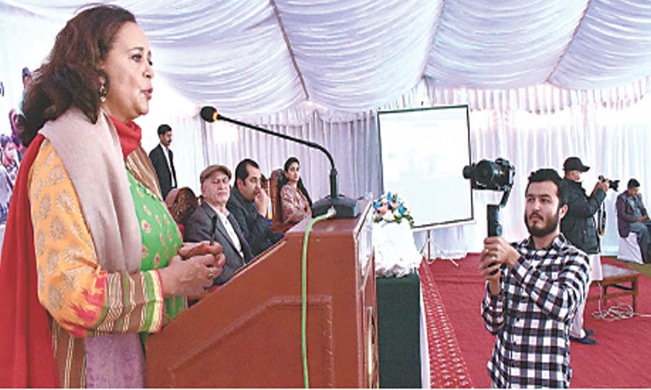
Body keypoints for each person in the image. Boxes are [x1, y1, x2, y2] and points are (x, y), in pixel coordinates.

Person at [0, 5, 226, 387]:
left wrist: (185, 261)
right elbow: (70, 294)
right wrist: (168, 282)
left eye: (150, 60)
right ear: (95, 69)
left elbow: (133, 253)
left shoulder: (133, 155)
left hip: (145, 360)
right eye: (136, 57)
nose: (150, 70)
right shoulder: (63, 152)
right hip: (91, 370)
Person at [480, 168, 590, 388]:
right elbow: (493, 324)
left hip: (543, 382)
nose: (535, 207)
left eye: (545, 200)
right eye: (530, 199)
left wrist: (514, 261)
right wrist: (494, 284)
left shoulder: (574, 259)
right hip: (502, 380)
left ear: (562, 210)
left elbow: (563, 306)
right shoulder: (511, 252)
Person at [560, 156, 608, 345]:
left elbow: (585, 207)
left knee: (580, 288)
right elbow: (587, 209)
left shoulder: (569, 189)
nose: (581, 175)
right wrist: (601, 194)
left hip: (580, 241)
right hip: (579, 244)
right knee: (579, 289)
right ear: (573, 173)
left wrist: (597, 191)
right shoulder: (568, 190)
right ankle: (575, 330)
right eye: (579, 172)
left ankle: (576, 325)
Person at [185, 164, 253, 285]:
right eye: (215, 182)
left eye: (225, 181)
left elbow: (245, 252)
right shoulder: (200, 220)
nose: (222, 186)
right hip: (231, 287)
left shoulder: (229, 215)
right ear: (203, 191)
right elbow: (212, 268)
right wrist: (245, 277)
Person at [227, 158, 284, 256]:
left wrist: (287, 238)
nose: (258, 187)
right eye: (253, 181)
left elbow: (266, 232)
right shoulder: (232, 205)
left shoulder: (250, 198)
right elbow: (250, 247)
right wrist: (261, 213)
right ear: (240, 183)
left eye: (259, 181)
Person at [616, 178, 651, 263]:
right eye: (635, 190)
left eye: (637, 190)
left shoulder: (638, 196)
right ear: (629, 189)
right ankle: (644, 254)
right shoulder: (622, 198)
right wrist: (636, 219)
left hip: (640, 219)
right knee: (643, 229)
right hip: (629, 223)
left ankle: (649, 251)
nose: (636, 192)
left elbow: (642, 208)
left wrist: (646, 216)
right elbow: (622, 214)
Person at [276, 156, 312, 231]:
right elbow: (291, 214)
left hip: (303, 224)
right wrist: (310, 216)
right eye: (292, 170)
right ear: (286, 174)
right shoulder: (286, 190)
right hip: (293, 227)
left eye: (297, 170)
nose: (296, 173)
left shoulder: (300, 191)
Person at [149, 123, 177, 198]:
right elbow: (152, 173)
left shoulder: (170, 153)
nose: (170, 139)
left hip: (172, 189)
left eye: (171, 136)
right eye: (168, 136)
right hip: (162, 192)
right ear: (161, 136)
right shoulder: (154, 153)